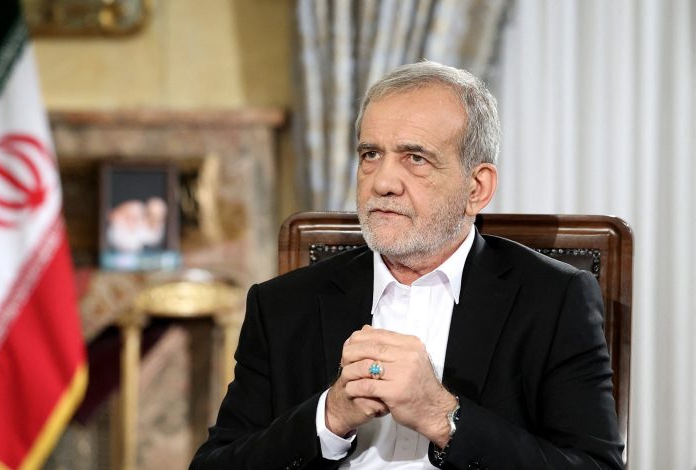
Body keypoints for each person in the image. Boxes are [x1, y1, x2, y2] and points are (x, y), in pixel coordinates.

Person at [190, 61, 624, 469]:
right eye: (370, 154)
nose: (382, 182)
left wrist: (443, 417)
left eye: (415, 158)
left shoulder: (553, 300)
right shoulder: (283, 305)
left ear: (477, 188)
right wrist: (329, 416)